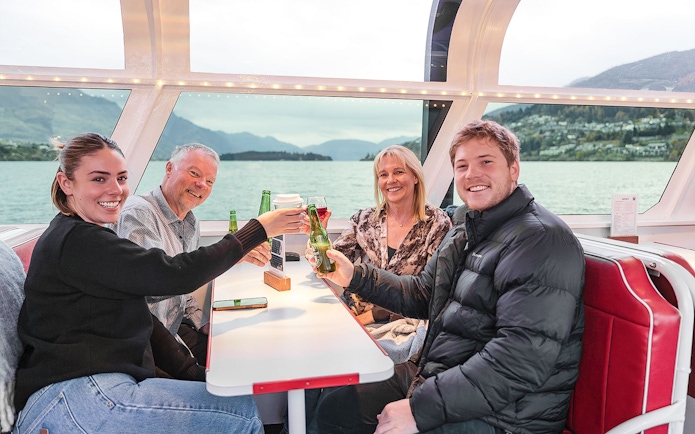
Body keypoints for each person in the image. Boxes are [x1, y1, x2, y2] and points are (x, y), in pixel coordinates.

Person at [12, 132, 304, 433]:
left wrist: (195, 375)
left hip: (88, 389)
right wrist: (261, 228)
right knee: (241, 413)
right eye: (99, 179)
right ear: (66, 183)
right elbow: (174, 274)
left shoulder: (90, 238)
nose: (115, 190)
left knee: (230, 395)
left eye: (121, 178)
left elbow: (146, 320)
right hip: (74, 397)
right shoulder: (78, 241)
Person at [309, 120, 585, 434]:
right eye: (462, 165)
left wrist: (418, 409)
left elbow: (517, 362)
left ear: (513, 169)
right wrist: (355, 276)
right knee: (334, 408)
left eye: (486, 162)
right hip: (445, 379)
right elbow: (423, 295)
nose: (472, 174)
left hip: (505, 415)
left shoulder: (540, 241)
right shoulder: (466, 227)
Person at [114, 143, 270, 366]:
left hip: (174, 329)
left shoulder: (190, 222)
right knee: (226, 368)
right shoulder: (139, 214)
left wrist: (203, 323)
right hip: (145, 342)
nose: (201, 185)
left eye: (209, 181)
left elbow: (184, 289)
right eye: (194, 173)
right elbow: (155, 283)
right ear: (169, 169)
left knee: (242, 351)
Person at [311, 145, 451, 364]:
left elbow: (433, 293)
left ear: (415, 176)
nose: (390, 180)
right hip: (354, 315)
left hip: (399, 320)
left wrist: (368, 318)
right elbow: (330, 264)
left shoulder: (436, 223)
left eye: (398, 172)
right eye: (383, 175)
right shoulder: (364, 220)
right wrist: (317, 233)